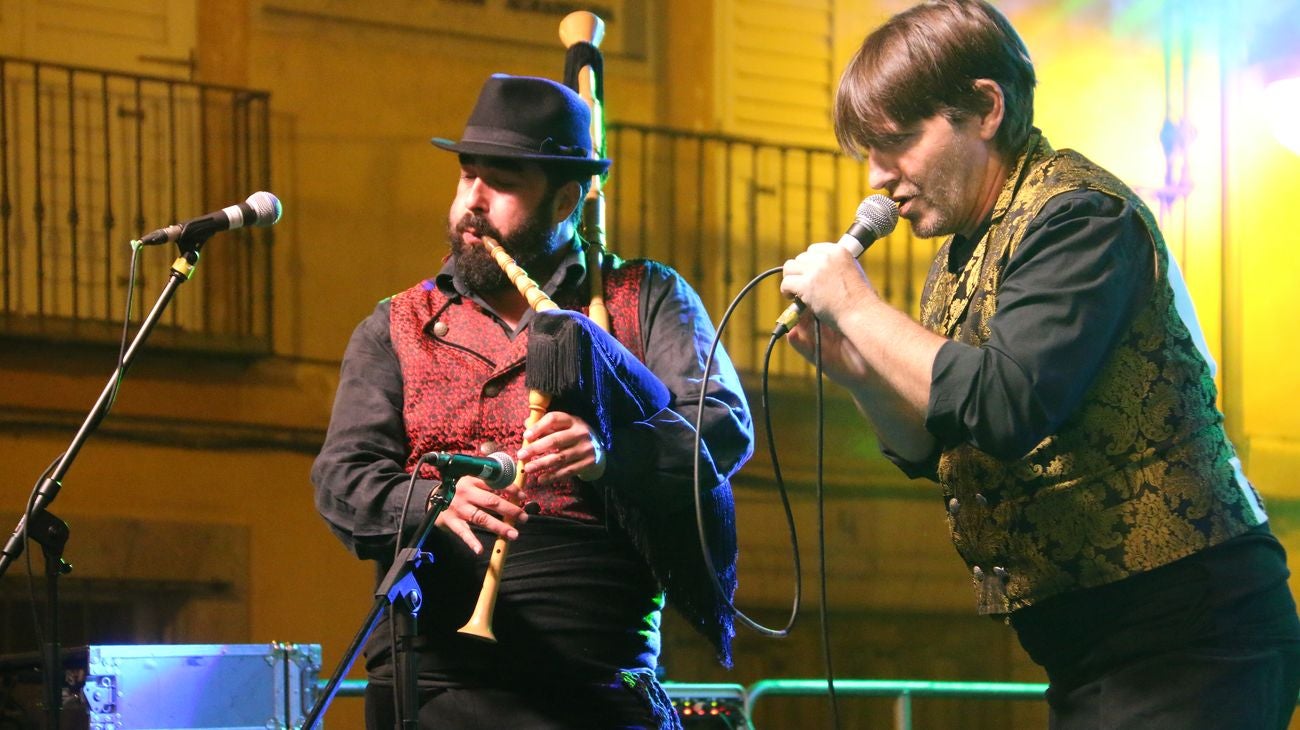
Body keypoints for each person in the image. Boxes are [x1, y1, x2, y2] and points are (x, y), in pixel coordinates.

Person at [778, 1, 1300, 727]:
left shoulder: (1082, 216)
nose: (877, 177)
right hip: (1093, 645)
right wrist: (856, 370)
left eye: (896, 141)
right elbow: (933, 446)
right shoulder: (958, 259)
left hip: (1194, 633)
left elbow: (1007, 402)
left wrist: (859, 308)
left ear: (985, 107)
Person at [312, 73, 753, 730]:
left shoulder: (647, 297)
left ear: (567, 198)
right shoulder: (398, 325)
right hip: (434, 680)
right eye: (468, 176)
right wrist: (436, 500)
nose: (473, 203)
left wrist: (610, 452)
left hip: (597, 673)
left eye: (504, 182)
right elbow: (342, 478)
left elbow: (719, 426)